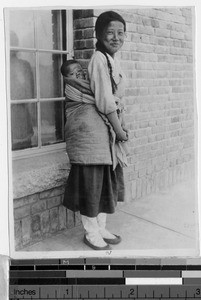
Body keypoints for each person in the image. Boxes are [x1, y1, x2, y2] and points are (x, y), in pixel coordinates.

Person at [62, 11, 128, 250]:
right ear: (98, 34)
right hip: (92, 130)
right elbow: (105, 101)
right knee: (91, 183)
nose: (116, 37)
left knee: (103, 182)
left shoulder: (112, 60)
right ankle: (91, 233)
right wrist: (119, 131)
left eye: (120, 33)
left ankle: (100, 228)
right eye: (110, 32)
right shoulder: (99, 59)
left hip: (102, 131)